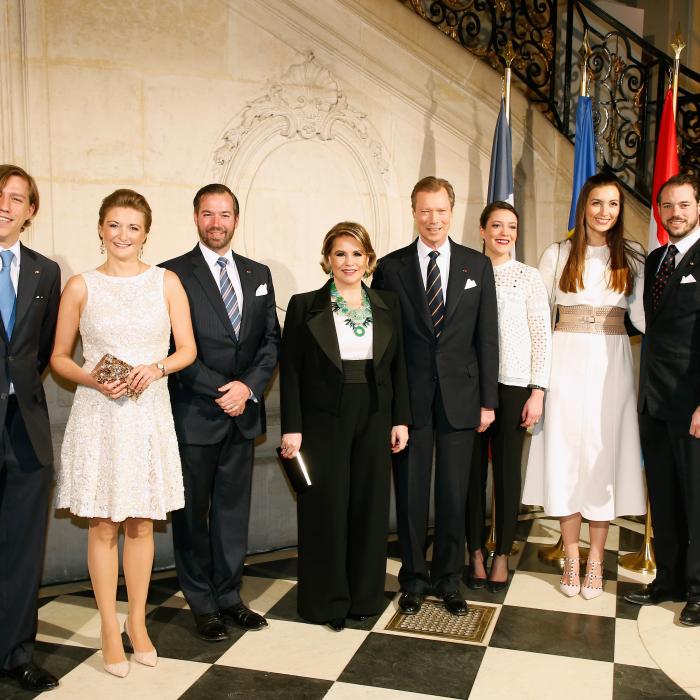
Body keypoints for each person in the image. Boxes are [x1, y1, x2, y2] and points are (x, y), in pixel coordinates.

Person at [52, 189, 196, 677]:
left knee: (141, 521)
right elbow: (58, 358)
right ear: (100, 228)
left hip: (148, 414)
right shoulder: (79, 286)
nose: (123, 236)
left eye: (133, 227)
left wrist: (157, 368)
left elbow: (187, 350)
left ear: (146, 233)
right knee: (103, 523)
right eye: (115, 225)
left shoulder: (167, 282)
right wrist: (92, 377)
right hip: (99, 415)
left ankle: (138, 621)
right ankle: (109, 627)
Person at [372, 176, 499, 616]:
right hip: (410, 402)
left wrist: (488, 402)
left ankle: (448, 579)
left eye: (441, 210)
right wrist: (392, 408)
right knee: (409, 495)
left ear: (452, 210)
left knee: (452, 493)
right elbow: (385, 345)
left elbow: (487, 338)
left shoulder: (475, 266)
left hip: (462, 400)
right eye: (425, 210)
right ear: (413, 212)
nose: (433, 219)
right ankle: (413, 579)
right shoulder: (391, 268)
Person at [161, 184, 280, 642]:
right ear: (195, 218)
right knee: (193, 515)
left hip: (243, 413)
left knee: (232, 512)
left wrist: (248, 387)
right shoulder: (172, 274)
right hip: (196, 413)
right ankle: (202, 603)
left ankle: (230, 597)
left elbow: (271, 340)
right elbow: (171, 347)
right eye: (208, 214)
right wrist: (220, 390)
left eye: (225, 214)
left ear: (236, 219)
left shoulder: (258, 273)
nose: (217, 222)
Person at [279, 222, 410, 630]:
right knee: (326, 509)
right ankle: (327, 603)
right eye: (340, 254)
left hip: (375, 413)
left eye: (356, 253)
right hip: (322, 419)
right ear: (327, 260)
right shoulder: (304, 306)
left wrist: (401, 418)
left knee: (369, 507)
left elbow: (400, 368)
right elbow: (292, 373)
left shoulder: (388, 303)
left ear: (368, 259)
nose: (349, 262)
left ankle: (364, 598)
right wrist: (292, 428)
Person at [522, 173, 646, 599]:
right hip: (565, 366)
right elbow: (537, 320)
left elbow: (648, 319)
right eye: (597, 203)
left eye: (612, 204)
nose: (604, 212)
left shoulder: (632, 256)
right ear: (584, 206)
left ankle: (596, 558)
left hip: (612, 367)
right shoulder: (557, 254)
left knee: (602, 457)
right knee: (566, 457)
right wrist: (536, 383)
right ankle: (571, 555)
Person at [625, 174, 700, 626]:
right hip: (653, 401)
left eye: (684, 205)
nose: (675, 213)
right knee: (666, 497)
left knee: (696, 499)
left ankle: (697, 589)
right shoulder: (655, 260)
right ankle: (669, 578)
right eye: (667, 206)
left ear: (699, 207)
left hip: (691, 405)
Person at [466, 202, 551, 592]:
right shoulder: (467, 271)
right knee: (470, 475)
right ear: (482, 231)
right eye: (496, 225)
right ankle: (474, 552)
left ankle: (501, 553)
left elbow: (541, 335)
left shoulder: (528, 277)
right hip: (469, 387)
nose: (504, 232)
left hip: (515, 385)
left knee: (506, 474)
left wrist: (538, 390)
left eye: (512, 226)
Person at [0, 165, 60, 692]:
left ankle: (17, 653)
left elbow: (38, 353)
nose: (5, 206)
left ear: (30, 211)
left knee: (22, 550)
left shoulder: (45, 271)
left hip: (26, 430)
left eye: (16, 199)